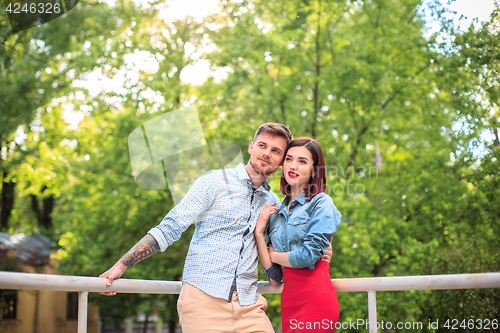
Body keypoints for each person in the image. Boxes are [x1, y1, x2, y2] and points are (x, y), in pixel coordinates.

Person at [99, 123, 332, 333]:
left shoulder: (273, 204)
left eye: (276, 151)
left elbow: (279, 259)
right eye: (262, 145)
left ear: (281, 160)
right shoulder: (214, 181)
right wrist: (122, 265)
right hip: (203, 302)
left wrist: (321, 253)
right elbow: (170, 227)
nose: (266, 153)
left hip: (250, 307)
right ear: (251, 147)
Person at [255, 137, 342, 333]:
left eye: (302, 161)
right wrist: (259, 234)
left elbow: (308, 256)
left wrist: (274, 255)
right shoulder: (275, 213)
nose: (293, 166)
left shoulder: (321, 203)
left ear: (314, 169)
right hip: (289, 303)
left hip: (316, 300)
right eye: (289, 159)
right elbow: (275, 278)